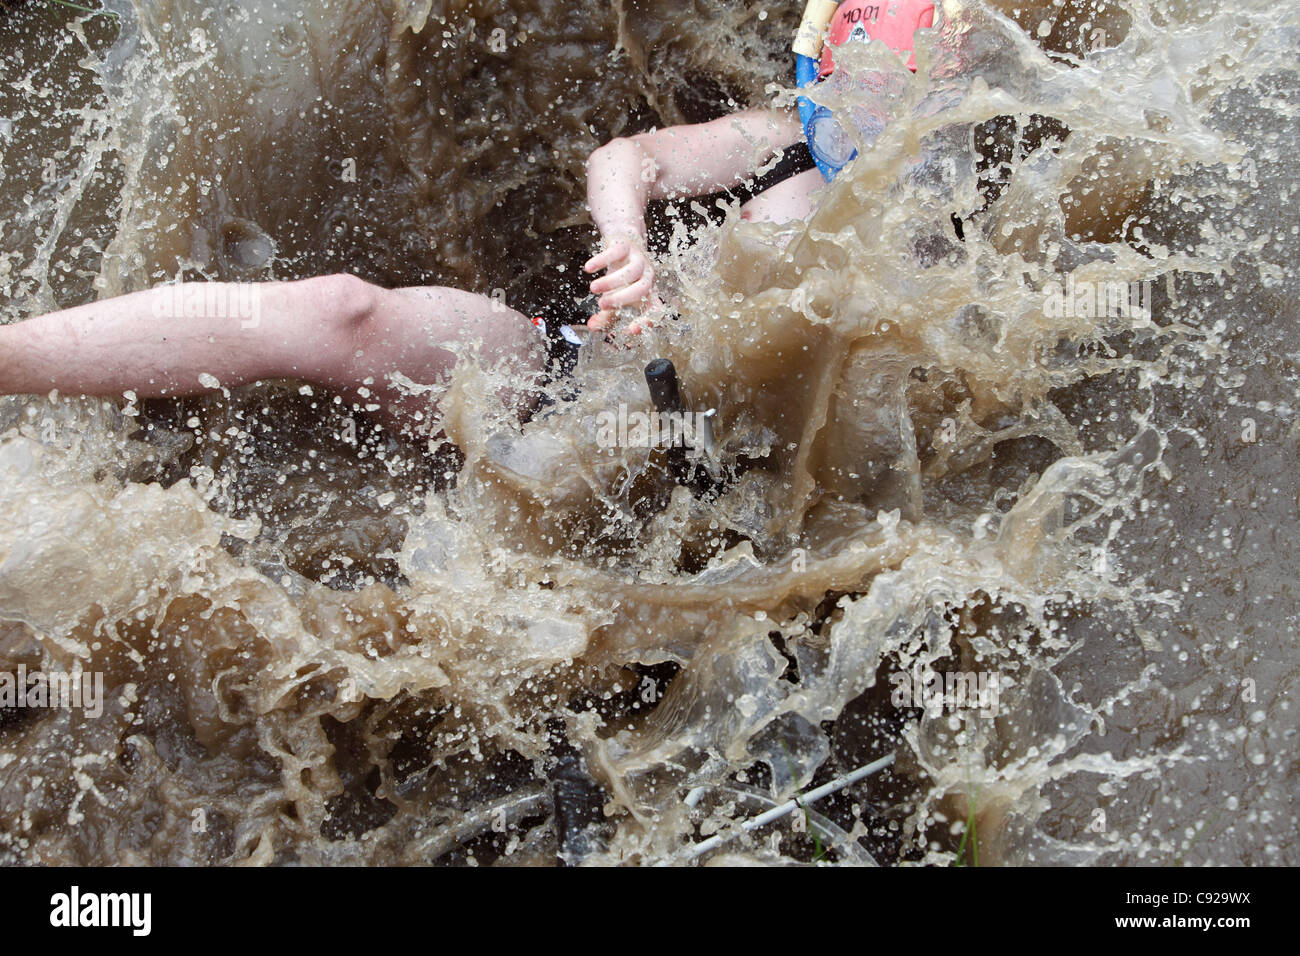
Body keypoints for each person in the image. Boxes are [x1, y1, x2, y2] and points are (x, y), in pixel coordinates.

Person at [583, 0, 937, 336]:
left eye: (893, 101)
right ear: (824, 88)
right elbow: (620, 157)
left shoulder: (961, 201)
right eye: (852, 98)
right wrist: (625, 236)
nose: (868, 127)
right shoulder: (782, 135)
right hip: (681, 348)